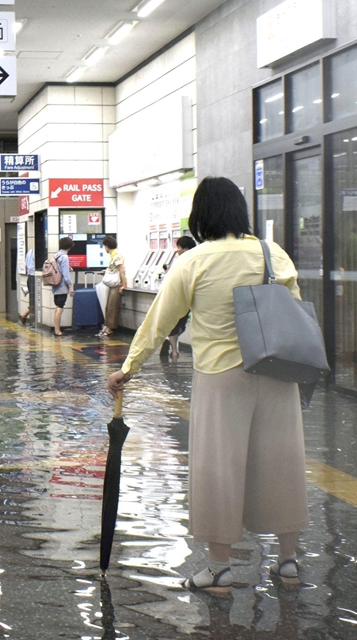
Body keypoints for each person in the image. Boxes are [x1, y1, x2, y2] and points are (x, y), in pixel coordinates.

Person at [107, 177, 308, 592]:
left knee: (218, 467)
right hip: (276, 371)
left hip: (221, 377)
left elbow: (159, 322)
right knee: (282, 463)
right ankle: (288, 561)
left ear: (201, 217)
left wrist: (128, 368)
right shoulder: (274, 254)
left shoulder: (194, 261)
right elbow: (295, 313)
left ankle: (219, 568)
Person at [162, 236, 198, 361]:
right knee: (181, 324)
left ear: (185, 248)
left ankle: (174, 350)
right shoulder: (197, 260)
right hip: (190, 300)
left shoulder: (182, 262)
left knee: (173, 324)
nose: (177, 250)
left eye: (179, 247)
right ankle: (173, 346)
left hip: (177, 298)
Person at [95, 236, 126, 338]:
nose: (105, 248)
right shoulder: (114, 256)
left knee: (112, 306)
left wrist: (124, 285)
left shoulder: (117, 256)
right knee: (109, 306)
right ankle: (107, 326)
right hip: (113, 284)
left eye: (104, 246)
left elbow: (122, 271)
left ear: (107, 246)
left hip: (117, 284)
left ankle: (110, 328)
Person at [51, 236, 74, 337]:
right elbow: (66, 275)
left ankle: (57, 329)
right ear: (69, 247)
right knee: (60, 308)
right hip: (61, 286)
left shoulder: (56, 255)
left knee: (57, 307)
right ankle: (57, 330)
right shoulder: (64, 257)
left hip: (55, 285)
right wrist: (71, 287)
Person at [19, 248, 36, 324]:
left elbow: (26, 266)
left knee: (33, 299)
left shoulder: (29, 251)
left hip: (29, 277)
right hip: (34, 277)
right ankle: (24, 315)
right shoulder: (37, 253)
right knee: (34, 301)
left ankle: (26, 316)